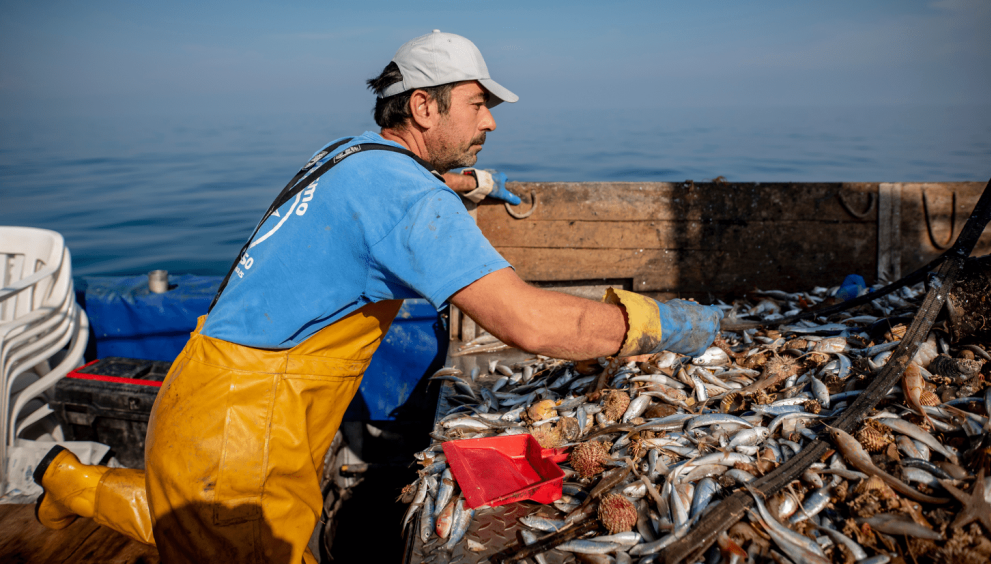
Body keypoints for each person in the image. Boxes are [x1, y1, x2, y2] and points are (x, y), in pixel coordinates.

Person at [32, 31, 722, 563]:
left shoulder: (350, 154)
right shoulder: (401, 195)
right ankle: (69, 484)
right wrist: (664, 324)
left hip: (215, 394)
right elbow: (528, 322)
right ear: (425, 105)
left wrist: (472, 187)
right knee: (237, 536)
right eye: (479, 104)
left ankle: (65, 481)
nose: (492, 122)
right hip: (242, 433)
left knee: (193, 519)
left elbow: (387, 204)